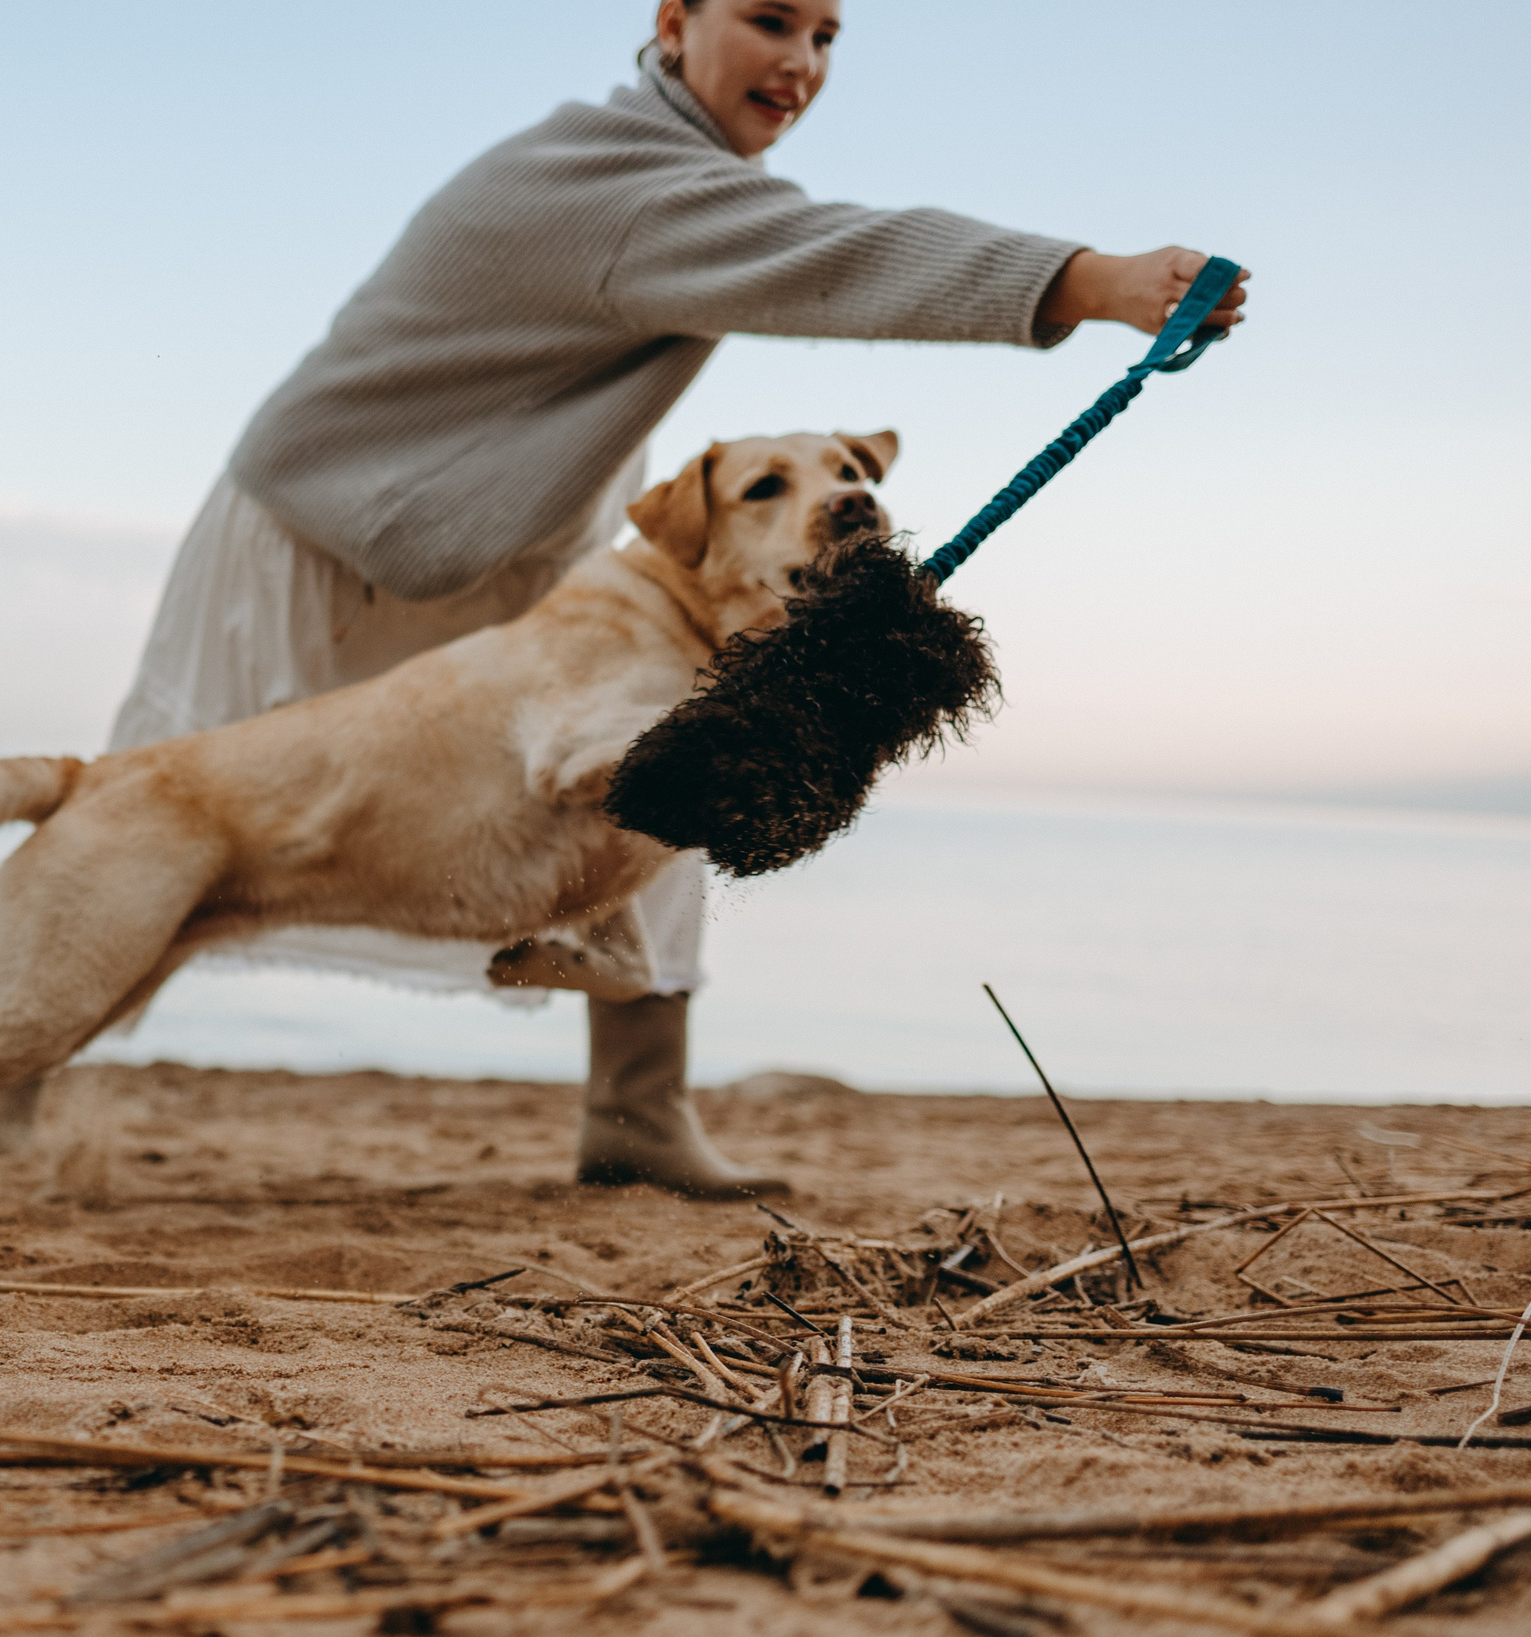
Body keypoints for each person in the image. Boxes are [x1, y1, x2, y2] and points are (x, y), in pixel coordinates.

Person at [65, 0, 1249, 1196]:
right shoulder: (618, 181)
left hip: (500, 550)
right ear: (674, 25)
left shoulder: (666, 175)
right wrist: (1092, 279)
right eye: (770, 20)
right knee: (174, 827)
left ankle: (637, 1113)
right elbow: (839, 259)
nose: (799, 61)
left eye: (827, 39)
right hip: (330, 535)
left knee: (673, 752)